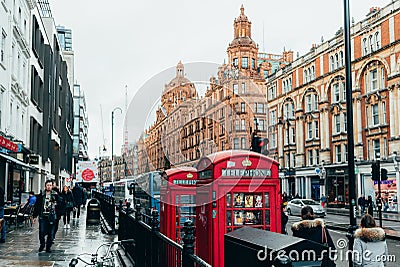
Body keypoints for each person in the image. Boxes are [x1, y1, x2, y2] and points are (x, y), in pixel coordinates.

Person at [33, 180, 59, 253]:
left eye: (50, 185)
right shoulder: (41, 195)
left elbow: (61, 204)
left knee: (51, 233)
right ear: (45, 186)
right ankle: (42, 244)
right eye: (48, 185)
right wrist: (35, 216)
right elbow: (37, 206)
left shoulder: (55, 195)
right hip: (42, 216)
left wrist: (57, 204)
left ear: (52, 186)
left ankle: (48, 247)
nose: (49, 187)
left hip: (52, 217)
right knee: (42, 232)